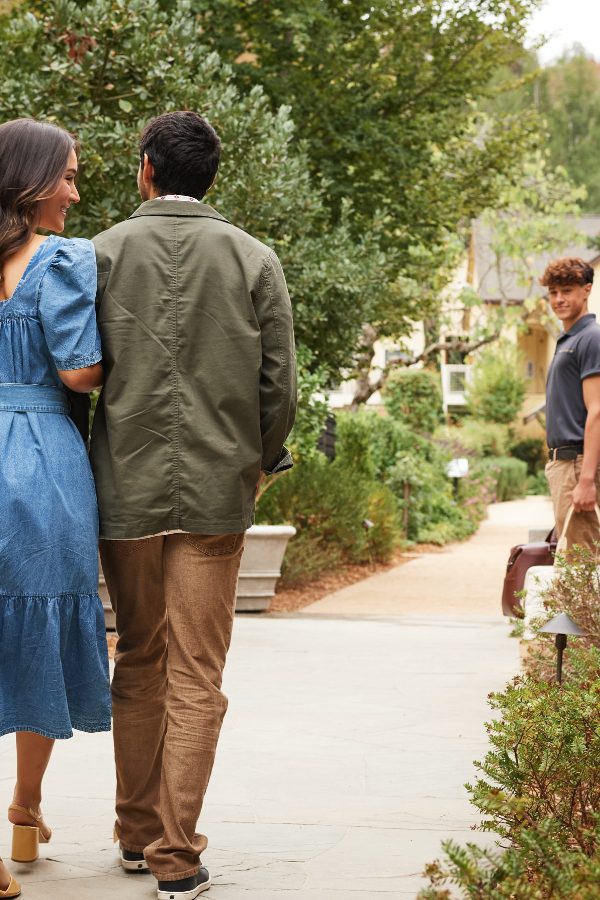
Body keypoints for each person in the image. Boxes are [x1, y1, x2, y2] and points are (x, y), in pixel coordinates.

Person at [90, 111, 296, 900]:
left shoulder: (101, 252)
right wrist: (258, 462)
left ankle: (137, 832)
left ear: (146, 167)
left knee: (139, 654)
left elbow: (75, 370)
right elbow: (279, 384)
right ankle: (178, 857)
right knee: (198, 674)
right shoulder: (252, 257)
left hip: (126, 485)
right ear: (212, 175)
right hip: (216, 491)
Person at [0, 118, 111, 899]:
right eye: (67, 176)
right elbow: (78, 373)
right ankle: (26, 806)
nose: (75, 191)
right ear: (33, 180)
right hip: (39, 457)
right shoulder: (64, 259)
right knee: (36, 619)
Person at [542, 257, 600, 549]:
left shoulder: (591, 338)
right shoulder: (568, 339)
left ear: (587, 290)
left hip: (577, 463)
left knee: (582, 566)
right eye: (553, 292)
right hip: (564, 464)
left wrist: (586, 479)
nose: (559, 299)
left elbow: (598, 411)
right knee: (572, 561)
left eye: (567, 290)